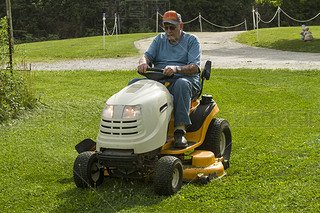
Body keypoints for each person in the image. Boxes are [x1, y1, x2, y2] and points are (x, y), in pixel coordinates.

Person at [130, 10, 202, 148]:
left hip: (186, 80)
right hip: (161, 80)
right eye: (166, 27)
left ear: (180, 26)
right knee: (134, 84)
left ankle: (179, 130)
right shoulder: (159, 39)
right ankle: (135, 127)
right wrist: (143, 62)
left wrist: (176, 69)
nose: (168, 31)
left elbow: (195, 67)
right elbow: (146, 56)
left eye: (172, 27)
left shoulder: (192, 41)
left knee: (181, 84)